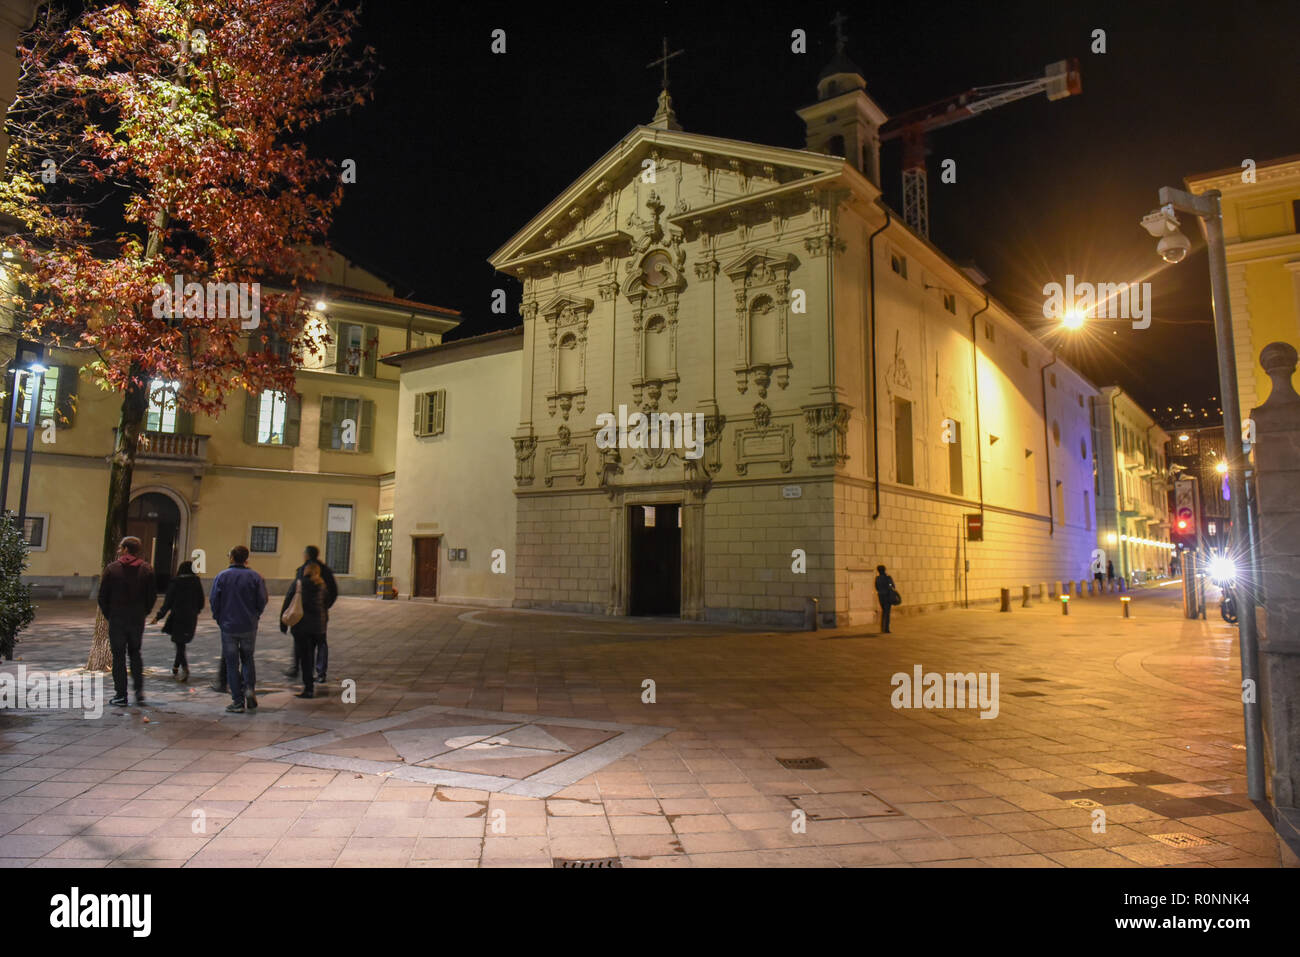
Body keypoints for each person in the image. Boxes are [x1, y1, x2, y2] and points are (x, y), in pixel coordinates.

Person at [97, 536, 157, 707]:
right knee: (135, 654)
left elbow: (102, 596)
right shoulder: (147, 569)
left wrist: (110, 614)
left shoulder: (111, 569)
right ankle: (139, 693)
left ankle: (121, 695)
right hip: (136, 618)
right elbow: (151, 596)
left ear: (124, 549)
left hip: (117, 617)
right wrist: (144, 612)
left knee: (118, 657)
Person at [209, 545, 268, 714]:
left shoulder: (222, 576)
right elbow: (262, 600)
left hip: (228, 625)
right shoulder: (255, 577)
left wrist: (219, 618)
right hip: (248, 625)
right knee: (248, 658)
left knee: (232, 663)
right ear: (246, 558)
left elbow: (214, 600)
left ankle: (237, 700)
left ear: (232, 558)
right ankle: (249, 688)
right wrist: (255, 615)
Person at [283, 545, 337, 683]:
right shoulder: (325, 572)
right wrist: (324, 606)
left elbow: (291, 595)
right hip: (320, 616)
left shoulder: (303, 572)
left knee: (303, 643)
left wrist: (283, 618)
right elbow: (333, 592)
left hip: (304, 616)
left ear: (306, 555)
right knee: (321, 643)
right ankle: (321, 672)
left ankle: (301, 670)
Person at [281, 560, 329, 699]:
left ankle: (308, 687)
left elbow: (288, 601)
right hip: (318, 627)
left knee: (305, 658)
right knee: (313, 654)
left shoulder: (299, 584)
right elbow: (326, 604)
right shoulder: (322, 586)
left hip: (302, 627)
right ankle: (315, 677)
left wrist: (283, 623)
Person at [152, 560, 205, 682]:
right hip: (191, 617)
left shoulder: (175, 582)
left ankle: (185, 668)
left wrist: (159, 616)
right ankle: (176, 667)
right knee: (181, 643)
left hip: (177, 617)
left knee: (179, 643)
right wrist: (196, 610)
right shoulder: (196, 582)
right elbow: (201, 601)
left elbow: (168, 602)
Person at [874, 564, 897, 635]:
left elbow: (876, 587)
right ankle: (886, 629)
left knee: (884, 612)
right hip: (887, 596)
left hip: (881, 597)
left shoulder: (877, 578)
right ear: (884, 570)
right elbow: (892, 585)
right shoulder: (887, 577)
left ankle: (882, 628)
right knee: (887, 613)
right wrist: (889, 586)